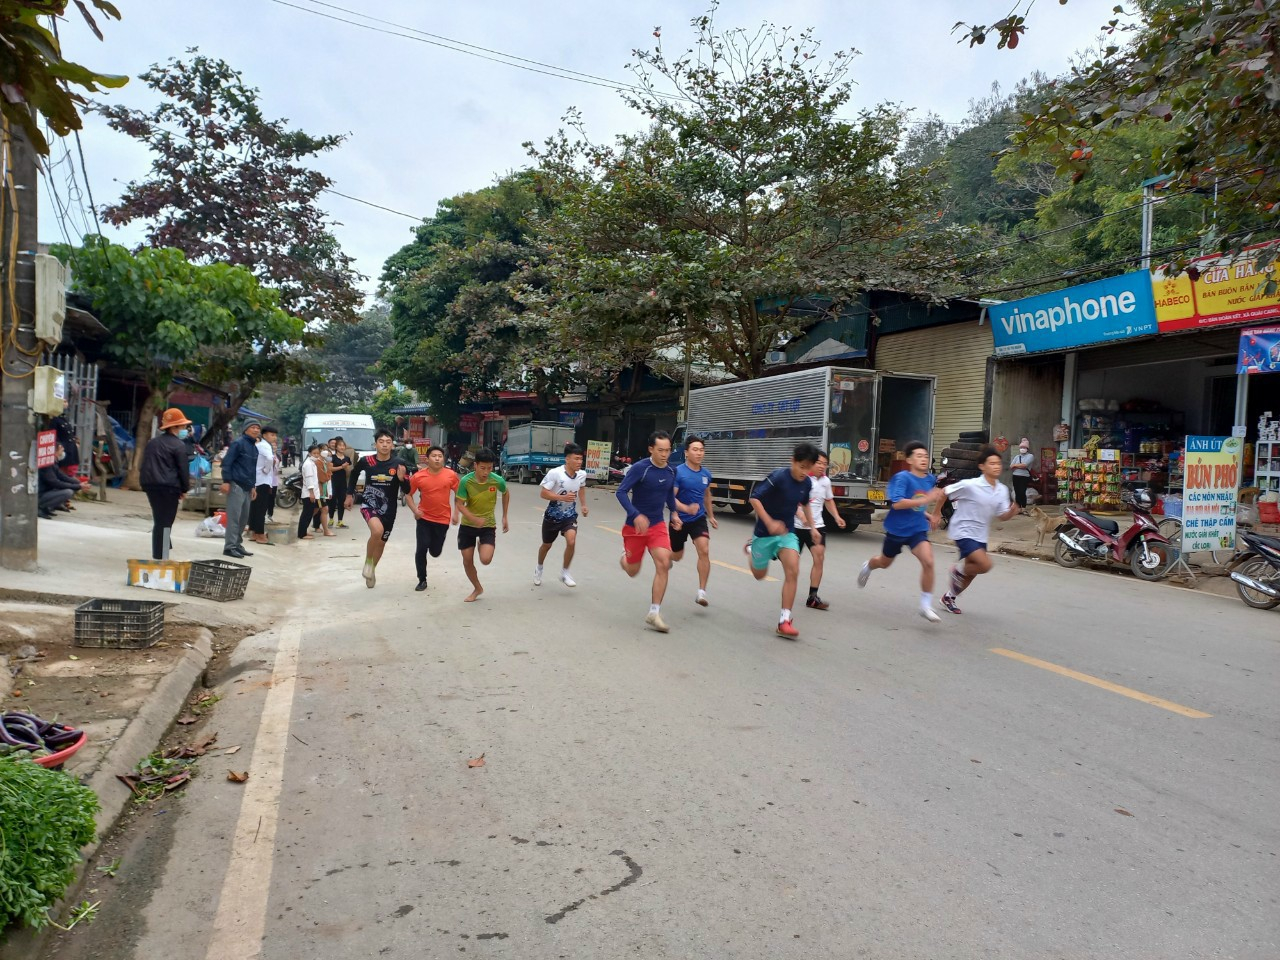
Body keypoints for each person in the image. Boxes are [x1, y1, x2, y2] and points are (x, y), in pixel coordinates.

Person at [857, 441, 945, 622]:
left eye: (926, 456)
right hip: (897, 530)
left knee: (928, 561)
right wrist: (926, 500)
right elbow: (897, 503)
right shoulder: (902, 478)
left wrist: (930, 514)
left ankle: (925, 605)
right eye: (919, 456)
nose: (923, 459)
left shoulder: (929, 479)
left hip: (917, 529)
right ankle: (869, 566)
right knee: (884, 563)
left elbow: (924, 501)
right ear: (909, 460)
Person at [745, 443, 819, 639]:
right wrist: (769, 522)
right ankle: (751, 549)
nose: (804, 472)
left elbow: (804, 503)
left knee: (793, 569)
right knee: (759, 575)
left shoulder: (807, 483)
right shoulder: (778, 477)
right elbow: (754, 498)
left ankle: (784, 620)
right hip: (764, 533)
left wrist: (812, 527)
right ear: (792, 461)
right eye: (801, 467)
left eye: (808, 468)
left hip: (787, 533)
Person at [940, 445, 1020, 615]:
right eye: (992, 463)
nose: (996, 466)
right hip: (963, 530)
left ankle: (949, 597)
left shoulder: (1002, 490)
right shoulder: (971, 485)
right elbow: (944, 492)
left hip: (980, 534)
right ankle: (957, 571)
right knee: (984, 565)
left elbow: (1002, 516)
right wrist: (935, 515)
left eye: (998, 463)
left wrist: (1012, 512)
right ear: (982, 466)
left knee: (972, 571)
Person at [615, 430, 680, 632]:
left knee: (664, 562)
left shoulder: (671, 471)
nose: (665, 454)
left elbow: (669, 494)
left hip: (657, 524)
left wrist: (674, 513)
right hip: (634, 527)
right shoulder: (640, 469)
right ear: (651, 449)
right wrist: (635, 515)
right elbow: (621, 492)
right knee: (632, 571)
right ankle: (624, 558)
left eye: (668, 450)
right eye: (660, 450)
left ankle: (654, 612)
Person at [345, 429, 411, 588]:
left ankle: (372, 570)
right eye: (381, 442)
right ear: (375, 444)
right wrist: (349, 495)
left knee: (381, 543)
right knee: (377, 531)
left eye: (388, 442)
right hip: (370, 504)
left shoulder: (399, 463)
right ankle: (368, 562)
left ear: (392, 445)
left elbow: (408, 490)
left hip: (389, 509)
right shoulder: (367, 461)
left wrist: (402, 479)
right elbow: (354, 474)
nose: (385, 445)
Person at [454, 448, 509, 602]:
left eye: (489, 468)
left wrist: (505, 516)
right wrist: (473, 518)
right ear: (475, 465)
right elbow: (459, 504)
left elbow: (506, 493)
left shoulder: (497, 480)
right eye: (483, 468)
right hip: (467, 526)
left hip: (487, 525)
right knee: (467, 560)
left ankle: (480, 544)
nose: (486, 472)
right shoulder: (466, 481)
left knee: (485, 559)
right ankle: (477, 588)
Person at [795, 449, 846, 611]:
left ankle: (813, 596)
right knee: (792, 564)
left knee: (819, 558)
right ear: (811, 463)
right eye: (819, 463)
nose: (822, 466)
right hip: (796, 527)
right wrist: (801, 516)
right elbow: (793, 501)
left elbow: (829, 500)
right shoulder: (802, 478)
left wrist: (837, 517)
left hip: (817, 526)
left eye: (825, 464)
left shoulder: (825, 481)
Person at [138, 408, 192, 557]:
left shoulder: (153, 443)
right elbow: (183, 469)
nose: (185, 429)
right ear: (175, 427)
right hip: (169, 487)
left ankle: (163, 550)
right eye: (183, 426)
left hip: (151, 485)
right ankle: (161, 555)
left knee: (160, 519)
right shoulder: (178, 445)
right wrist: (184, 489)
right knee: (166, 522)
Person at [670, 436, 717, 607]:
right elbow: (671, 498)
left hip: (698, 519)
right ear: (686, 453)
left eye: (701, 450)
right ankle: (666, 557)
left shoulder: (706, 474)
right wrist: (677, 514)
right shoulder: (678, 472)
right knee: (677, 556)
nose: (699, 453)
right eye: (695, 450)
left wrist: (710, 516)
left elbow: (706, 495)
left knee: (704, 550)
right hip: (679, 520)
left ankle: (701, 592)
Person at [535, 443, 589, 588]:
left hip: (569, 515)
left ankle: (565, 572)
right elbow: (543, 493)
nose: (579, 462)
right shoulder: (555, 473)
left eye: (581, 459)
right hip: (553, 515)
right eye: (576, 459)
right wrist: (562, 498)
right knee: (546, 545)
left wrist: (583, 505)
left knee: (571, 541)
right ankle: (539, 568)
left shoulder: (582, 475)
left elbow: (581, 488)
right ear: (567, 459)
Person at [407, 445, 459, 592]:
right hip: (424, 518)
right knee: (421, 548)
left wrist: (456, 512)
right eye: (434, 456)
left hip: (442, 519)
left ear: (443, 459)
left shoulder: (451, 475)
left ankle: (434, 547)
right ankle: (422, 579)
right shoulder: (418, 476)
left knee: (435, 552)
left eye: (440, 456)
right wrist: (415, 510)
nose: (437, 459)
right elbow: (408, 494)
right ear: (427, 459)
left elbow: (459, 494)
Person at [218, 421, 261, 559]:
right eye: (253, 427)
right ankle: (229, 547)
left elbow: (252, 469)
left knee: (243, 519)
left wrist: (253, 486)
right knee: (234, 518)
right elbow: (227, 463)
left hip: (247, 487)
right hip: (236, 485)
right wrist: (226, 481)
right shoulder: (238, 443)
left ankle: (237, 544)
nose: (256, 430)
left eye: (258, 428)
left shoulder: (254, 448)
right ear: (245, 429)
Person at [248, 425, 278, 546]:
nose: (274, 437)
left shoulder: (259, 445)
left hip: (257, 480)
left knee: (255, 507)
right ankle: (260, 534)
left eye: (275, 435)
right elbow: (270, 459)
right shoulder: (265, 446)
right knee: (261, 508)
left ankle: (254, 532)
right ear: (264, 435)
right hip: (263, 480)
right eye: (272, 435)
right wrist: (266, 470)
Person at [297, 444, 323, 541]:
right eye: (314, 453)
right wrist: (311, 493)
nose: (316, 455)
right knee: (306, 514)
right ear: (309, 453)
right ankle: (302, 533)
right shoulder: (308, 464)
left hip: (313, 492)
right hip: (309, 493)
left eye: (317, 453)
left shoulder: (312, 463)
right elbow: (309, 480)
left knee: (311, 512)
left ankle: (304, 531)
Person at [329, 437, 352, 528]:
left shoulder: (347, 458)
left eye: (343, 446)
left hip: (343, 482)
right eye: (340, 445)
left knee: (342, 501)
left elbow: (348, 472)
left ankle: (340, 521)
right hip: (333, 481)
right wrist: (341, 467)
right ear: (336, 447)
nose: (342, 447)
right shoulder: (332, 457)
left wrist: (346, 468)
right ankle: (331, 519)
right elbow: (330, 469)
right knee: (332, 501)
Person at [1010, 438, 1036, 513]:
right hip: (1015, 476)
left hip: (1024, 476)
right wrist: (1019, 465)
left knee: (1022, 492)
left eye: (1024, 447)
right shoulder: (1017, 457)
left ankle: (1023, 507)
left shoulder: (1030, 456)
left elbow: (1025, 465)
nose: (1022, 449)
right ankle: (1018, 508)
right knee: (1017, 492)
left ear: (1027, 448)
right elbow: (1011, 466)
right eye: (1021, 447)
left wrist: (1016, 465)